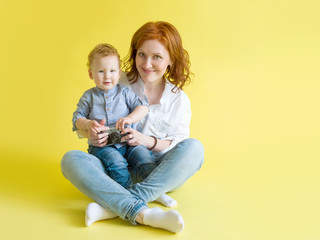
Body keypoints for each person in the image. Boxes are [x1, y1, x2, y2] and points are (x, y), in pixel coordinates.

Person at [61, 21, 204, 233]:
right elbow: (84, 123)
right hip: (113, 165)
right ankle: (142, 207)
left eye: (157, 57)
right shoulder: (116, 79)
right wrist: (91, 132)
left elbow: (177, 142)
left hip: (157, 171)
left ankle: (118, 206)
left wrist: (146, 141)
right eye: (142, 54)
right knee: (70, 160)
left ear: (170, 60)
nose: (147, 64)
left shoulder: (178, 99)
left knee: (195, 149)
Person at [73, 43, 150, 189]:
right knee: (116, 162)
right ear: (91, 74)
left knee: (143, 155)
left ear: (119, 73)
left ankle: (154, 188)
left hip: (128, 142)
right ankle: (126, 193)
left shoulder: (124, 92)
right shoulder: (89, 96)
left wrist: (129, 119)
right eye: (101, 71)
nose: (107, 76)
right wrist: (88, 124)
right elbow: (77, 118)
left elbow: (143, 107)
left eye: (112, 71)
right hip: (102, 146)